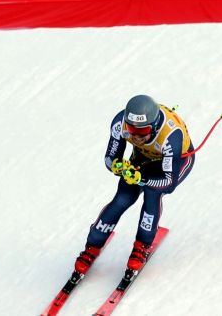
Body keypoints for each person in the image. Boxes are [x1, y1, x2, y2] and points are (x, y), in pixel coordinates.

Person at [73, 94, 195, 274]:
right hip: (143, 157)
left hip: (176, 161)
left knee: (152, 193)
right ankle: (92, 245)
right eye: (131, 129)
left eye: (143, 132)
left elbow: (169, 182)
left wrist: (142, 180)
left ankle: (142, 245)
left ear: (153, 127)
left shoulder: (171, 135)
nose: (136, 137)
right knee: (123, 197)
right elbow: (109, 159)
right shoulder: (119, 123)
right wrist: (119, 167)